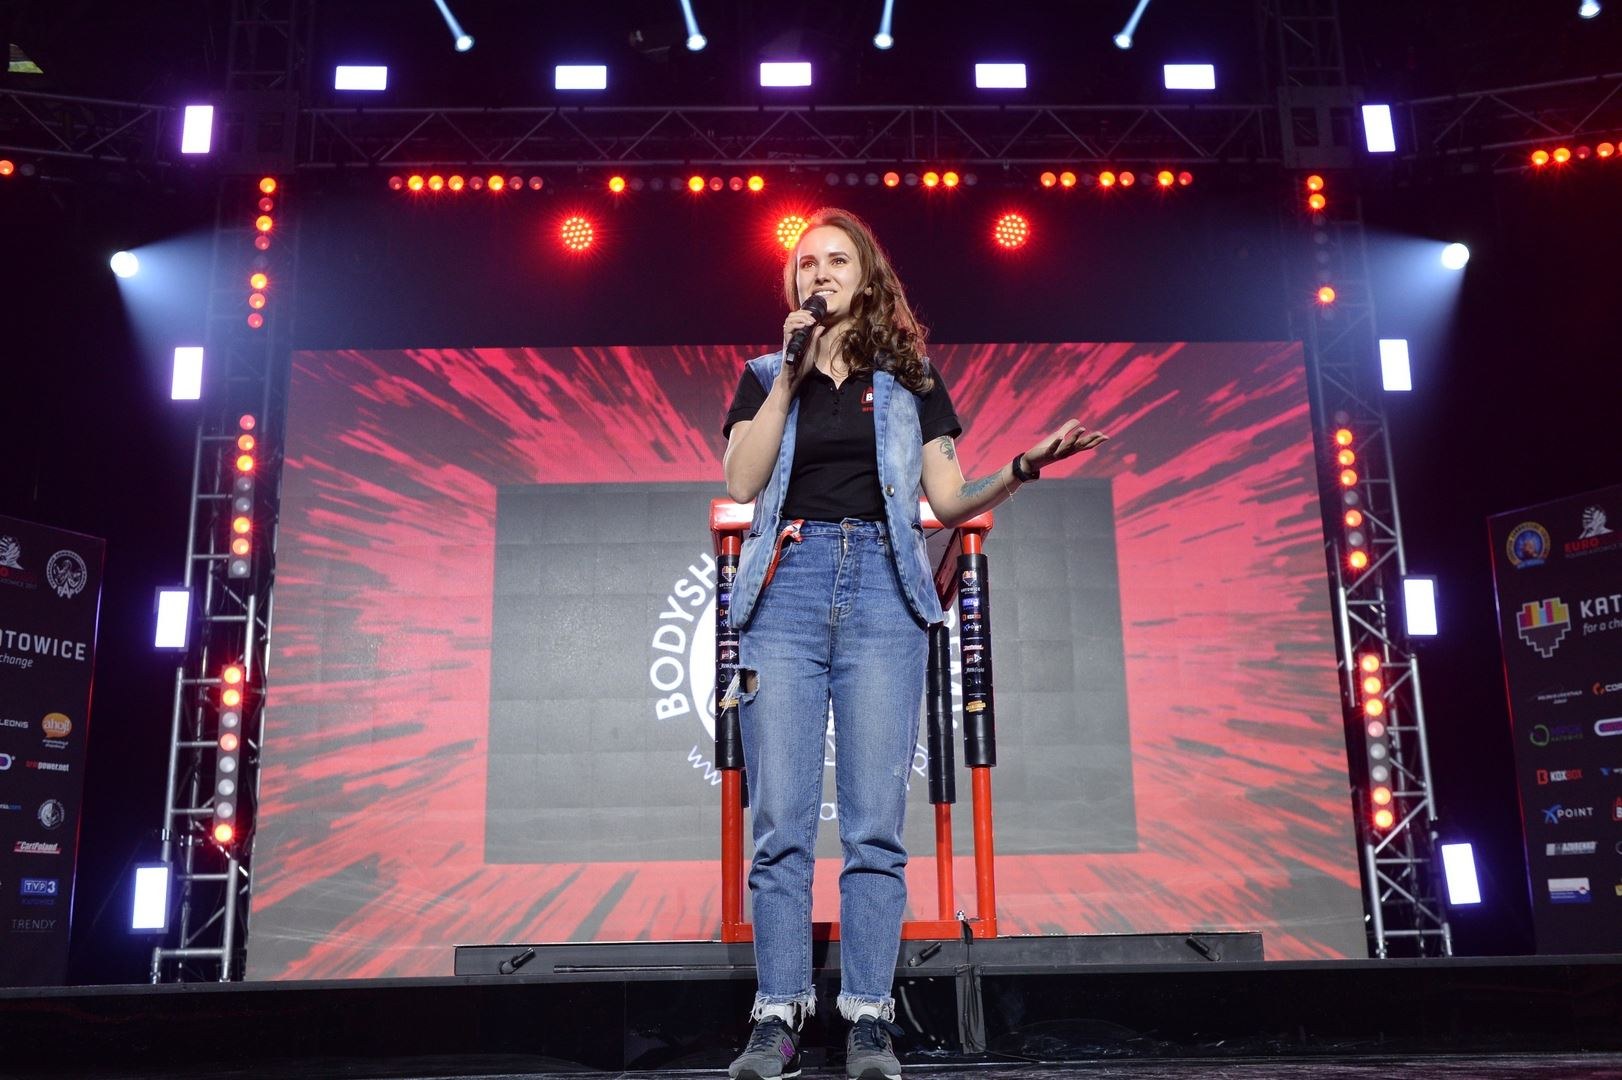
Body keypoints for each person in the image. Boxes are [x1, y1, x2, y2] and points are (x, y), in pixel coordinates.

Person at [720, 207, 1108, 1080]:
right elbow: (741, 480)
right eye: (804, 263)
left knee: (872, 828)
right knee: (780, 821)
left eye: (835, 261)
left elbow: (950, 496)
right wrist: (785, 377)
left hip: (884, 595)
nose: (817, 274)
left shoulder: (909, 382)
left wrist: (1025, 466)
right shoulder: (759, 375)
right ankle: (776, 1015)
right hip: (786, 591)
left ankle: (866, 1018)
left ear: (865, 280)